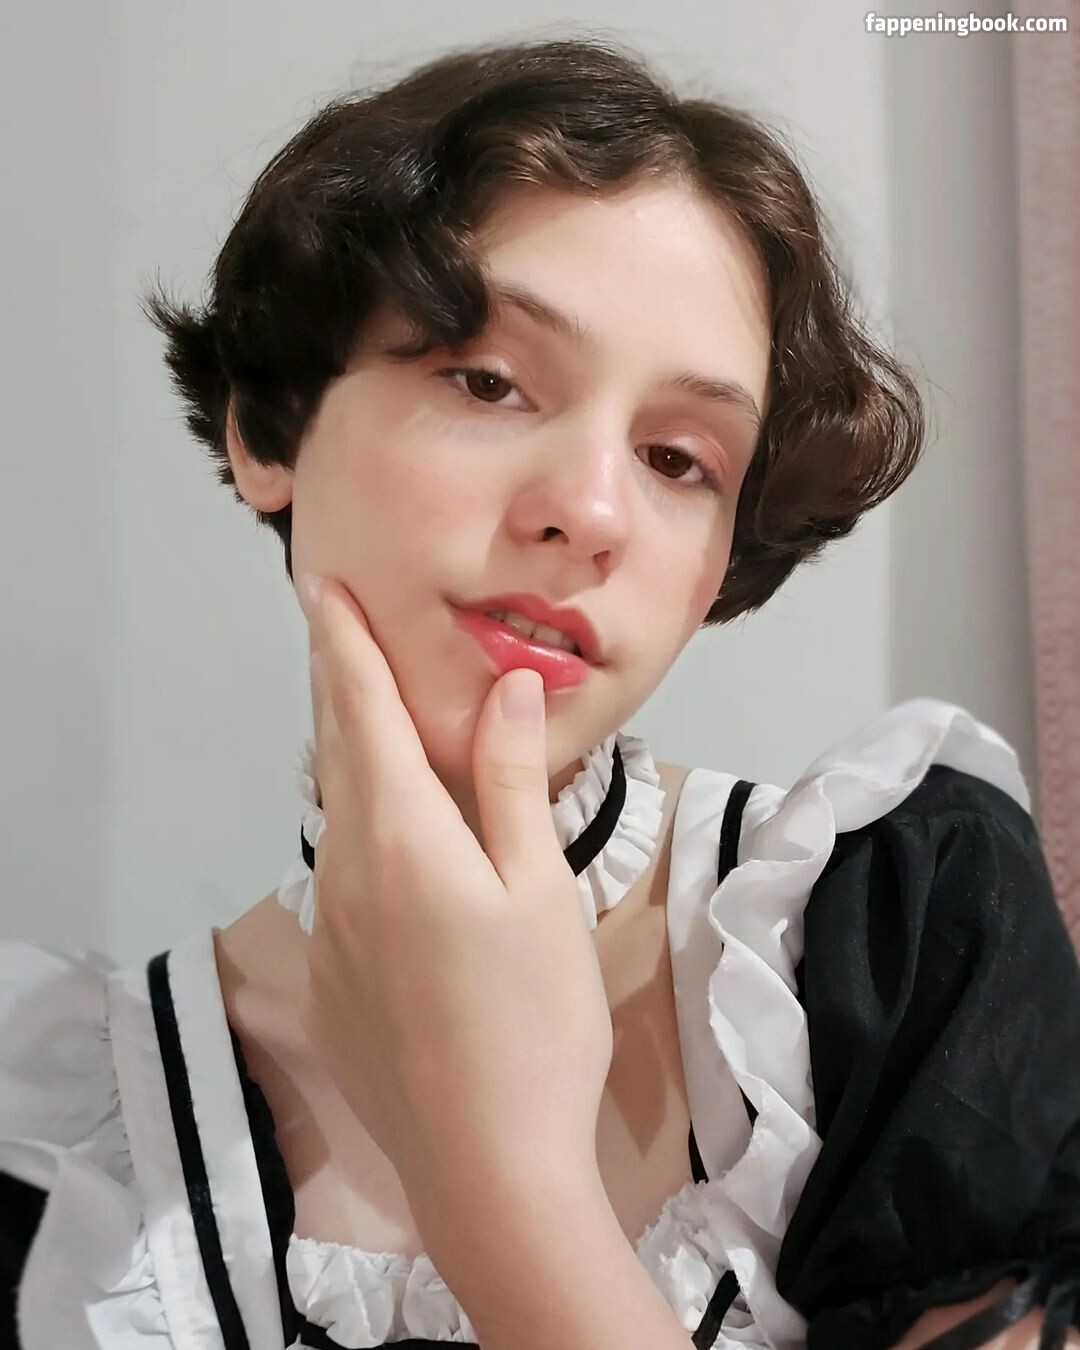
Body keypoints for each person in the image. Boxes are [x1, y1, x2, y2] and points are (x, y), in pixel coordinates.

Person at [1, 34, 1077, 1350]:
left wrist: (501, 1188)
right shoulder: (59, 1143)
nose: (591, 511)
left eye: (678, 459)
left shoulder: (891, 931)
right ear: (270, 428)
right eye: (490, 382)